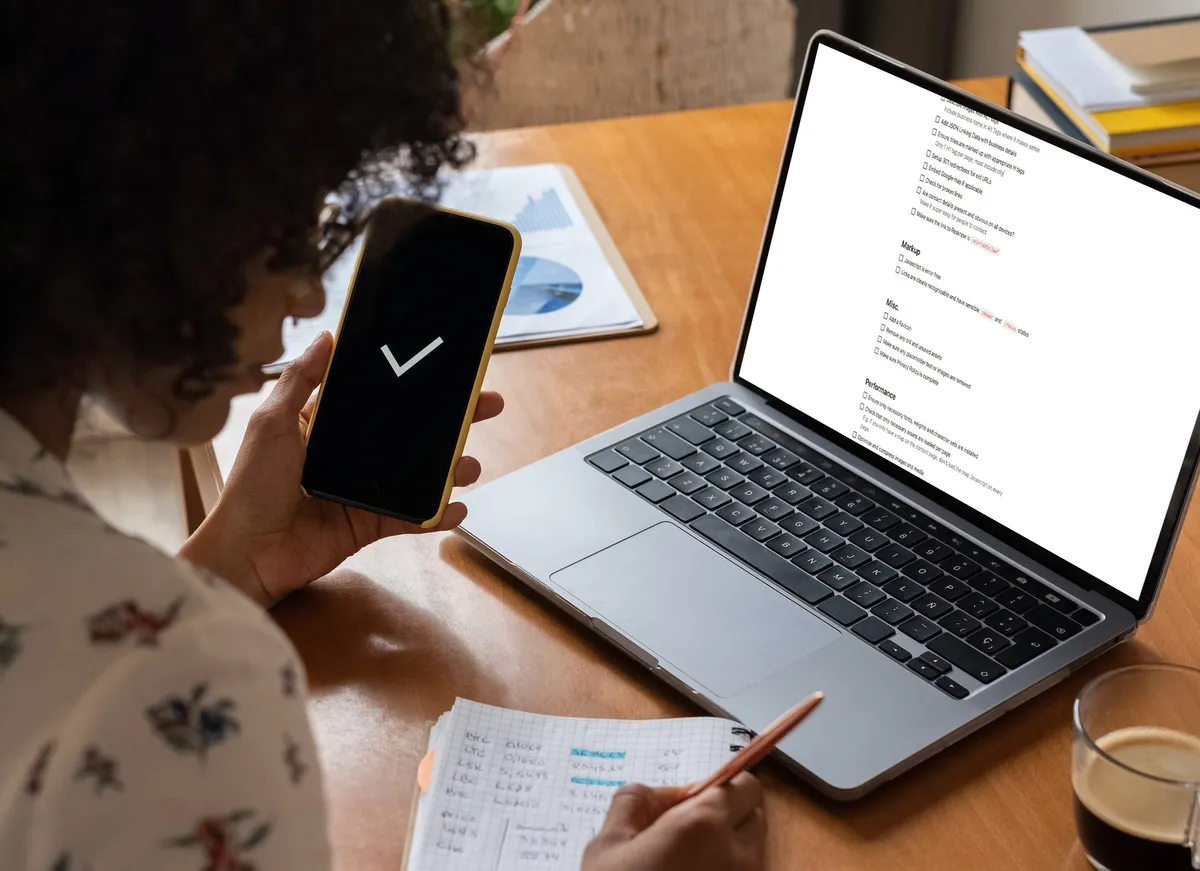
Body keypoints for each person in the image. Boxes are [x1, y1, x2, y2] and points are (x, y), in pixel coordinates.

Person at [0, 3, 766, 869]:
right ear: (139, 215)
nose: (301, 297)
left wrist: (224, 571)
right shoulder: (190, 692)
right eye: (287, 236)